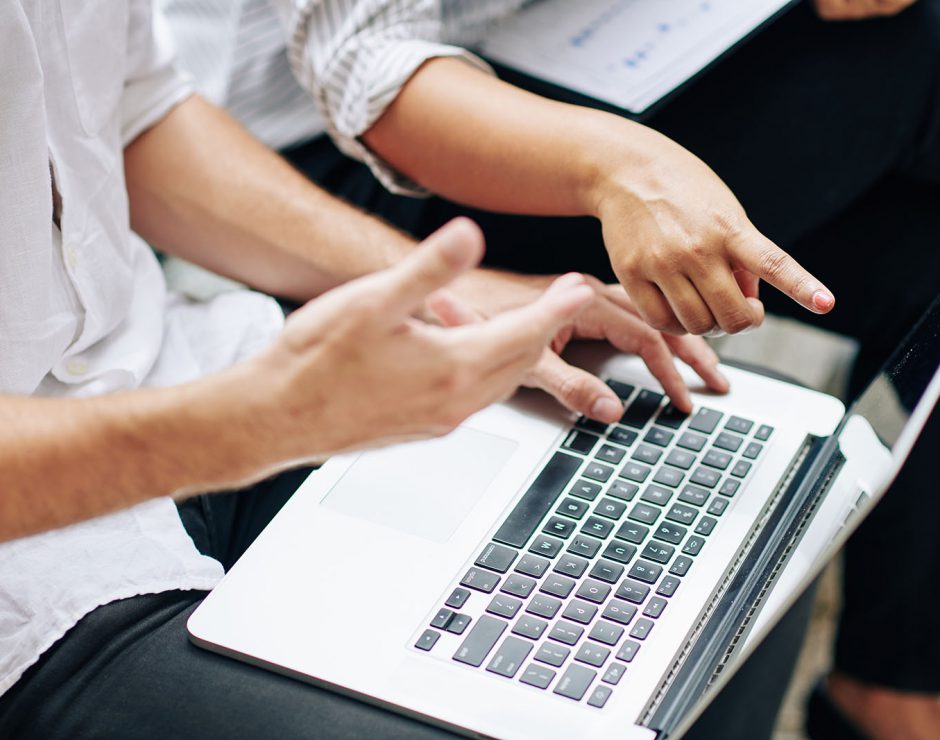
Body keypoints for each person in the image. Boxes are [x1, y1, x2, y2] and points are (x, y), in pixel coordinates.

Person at [160, 0, 940, 738]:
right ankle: (890, 687)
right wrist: (623, 169)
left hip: (586, 42)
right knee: (910, 54)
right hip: (337, 157)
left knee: (918, 248)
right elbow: (371, 71)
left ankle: (894, 682)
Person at [0, 2, 749, 739]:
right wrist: (250, 425)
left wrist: (452, 295)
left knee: (701, 546)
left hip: (181, 363)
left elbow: (137, 111)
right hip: (37, 566)